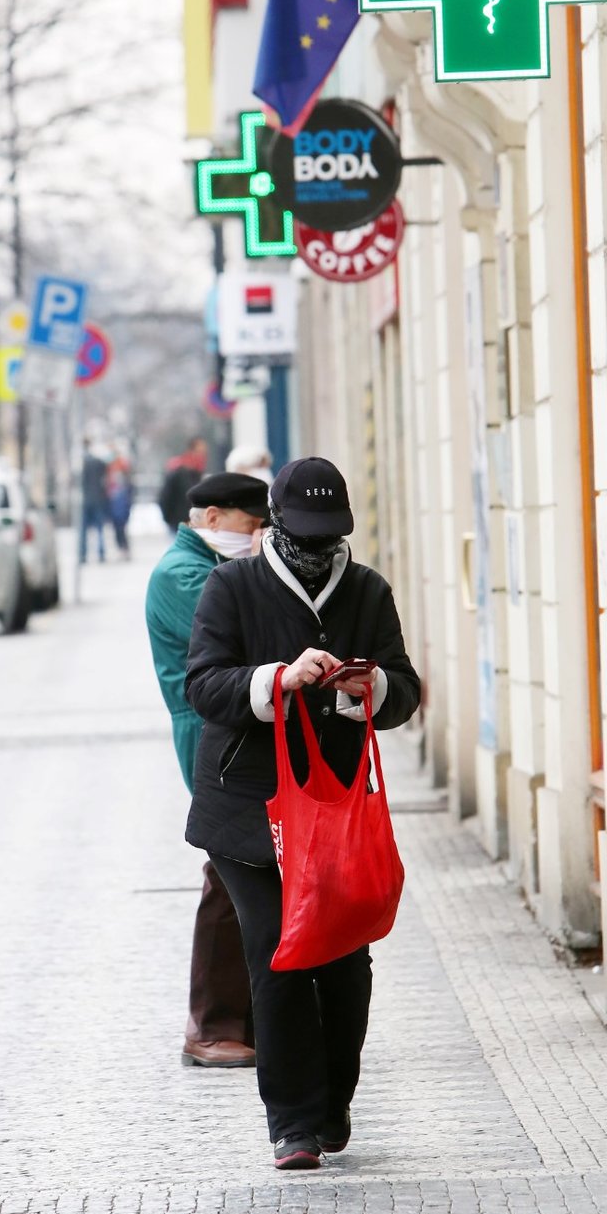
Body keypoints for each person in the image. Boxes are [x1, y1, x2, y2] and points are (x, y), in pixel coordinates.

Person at [184, 456, 421, 1169]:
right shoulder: (232, 586)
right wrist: (276, 680)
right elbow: (205, 684)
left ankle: (332, 1106)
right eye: (304, 534)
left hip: (334, 811)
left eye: (330, 535)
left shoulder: (368, 590)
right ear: (277, 524)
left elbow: (404, 691)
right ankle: (292, 1123)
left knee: (346, 961)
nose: (317, 550)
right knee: (278, 954)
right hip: (247, 806)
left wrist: (369, 685)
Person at [145, 471, 271, 1068]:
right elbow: (244, 633)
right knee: (228, 869)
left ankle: (245, 1017)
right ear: (214, 518)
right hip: (210, 735)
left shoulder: (206, 564)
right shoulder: (183, 574)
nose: (260, 538)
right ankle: (210, 1024)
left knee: (244, 867)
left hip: (234, 730)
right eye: (254, 526)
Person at [158, 437, 208, 534]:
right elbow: (165, 497)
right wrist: (170, 521)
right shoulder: (178, 472)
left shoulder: (198, 474)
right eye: (200, 451)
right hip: (178, 526)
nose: (202, 455)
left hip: (194, 527)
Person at [79, 442, 109, 564]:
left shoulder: (82, 464)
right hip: (98, 499)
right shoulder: (99, 463)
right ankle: (101, 553)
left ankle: (83, 554)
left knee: (83, 530)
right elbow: (105, 479)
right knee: (99, 529)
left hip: (86, 500)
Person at [106, 443, 134, 558]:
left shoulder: (121, 465)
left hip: (120, 502)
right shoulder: (111, 467)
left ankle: (124, 548)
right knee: (118, 527)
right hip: (115, 502)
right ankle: (122, 548)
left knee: (121, 527)